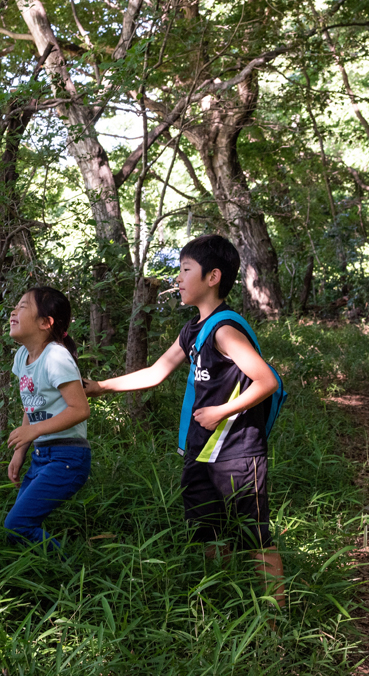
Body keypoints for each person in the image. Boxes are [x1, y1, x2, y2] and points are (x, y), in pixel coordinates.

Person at [84, 235, 284, 606]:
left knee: (255, 536)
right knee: (206, 532)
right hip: (200, 449)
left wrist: (222, 411)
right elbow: (157, 372)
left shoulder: (224, 330)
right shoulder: (192, 329)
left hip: (237, 451)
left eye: (185, 270)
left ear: (213, 277)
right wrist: (99, 387)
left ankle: (275, 623)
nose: (177, 278)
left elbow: (267, 381)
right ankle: (221, 604)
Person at [4, 286, 91, 552]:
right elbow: (31, 405)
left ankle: (72, 575)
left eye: (23, 306)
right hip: (42, 455)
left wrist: (34, 432)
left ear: (45, 322)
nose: (13, 311)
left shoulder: (55, 356)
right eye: (15, 306)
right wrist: (20, 452)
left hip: (68, 457)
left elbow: (80, 409)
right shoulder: (23, 357)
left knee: (16, 525)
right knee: (16, 527)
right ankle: (47, 574)